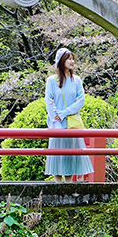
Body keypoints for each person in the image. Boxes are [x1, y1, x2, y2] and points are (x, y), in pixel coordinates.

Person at [44, 47, 94, 183]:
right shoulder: (51, 81)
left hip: (72, 122)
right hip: (57, 123)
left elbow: (80, 100)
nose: (72, 61)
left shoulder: (76, 80)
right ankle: (58, 185)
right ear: (61, 61)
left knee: (71, 154)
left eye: (73, 59)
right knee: (57, 154)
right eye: (69, 59)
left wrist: (64, 113)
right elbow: (49, 101)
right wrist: (57, 117)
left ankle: (69, 183)